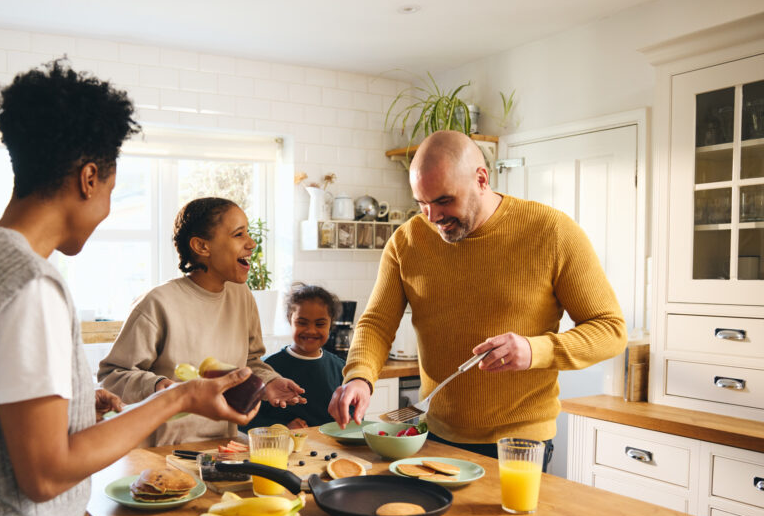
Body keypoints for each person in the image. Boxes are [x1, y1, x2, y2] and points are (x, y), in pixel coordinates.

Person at [0, 60, 262, 516]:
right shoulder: (31, 285)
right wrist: (181, 397)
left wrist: (74, 406)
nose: (106, 208)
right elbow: (47, 474)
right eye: (111, 188)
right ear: (89, 178)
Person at [327, 130, 626, 470]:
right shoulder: (407, 242)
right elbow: (377, 323)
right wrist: (359, 377)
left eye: (443, 200)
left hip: (519, 444)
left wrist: (534, 350)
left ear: (481, 179)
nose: (432, 217)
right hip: (434, 436)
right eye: (421, 203)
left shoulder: (551, 232)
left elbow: (610, 330)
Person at [98, 197, 305, 446]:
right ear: (201, 246)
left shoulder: (242, 297)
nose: (251, 243)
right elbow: (112, 376)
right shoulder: (158, 303)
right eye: (239, 234)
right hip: (164, 452)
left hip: (224, 447)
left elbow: (249, 361)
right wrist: (159, 386)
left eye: (248, 233)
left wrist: (268, 382)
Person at [246, 283, 345, 430]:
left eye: (320, 324)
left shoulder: (341, 369)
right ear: (289, 318)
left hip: (330, 450)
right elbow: (247, 419)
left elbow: (353, 418)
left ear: (330, 324)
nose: (311, 330)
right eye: (302, 322)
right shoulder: (266, 369)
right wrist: (282, 427)